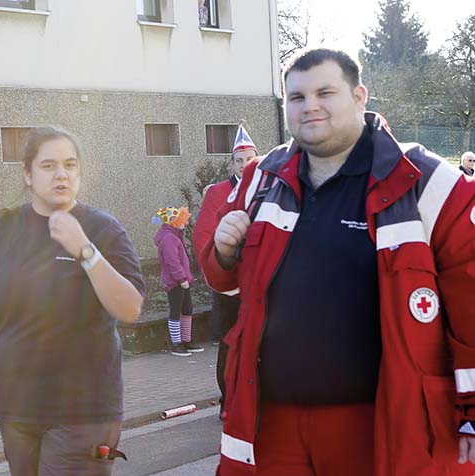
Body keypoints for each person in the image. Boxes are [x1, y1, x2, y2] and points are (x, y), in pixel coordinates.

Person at [199, 48, 475, 475]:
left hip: (379, 424)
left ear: (359, 97)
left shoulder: (427, 180)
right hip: (272, 425)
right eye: (297, 97)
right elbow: (226, 281)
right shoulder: (260, 178)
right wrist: (222, 251)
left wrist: (470, 407)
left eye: (325, 93)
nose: (310, 106)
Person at [0, 126, 146, 476]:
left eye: (70, 165)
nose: (61, 174)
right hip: (17, 409)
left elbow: (130, 309)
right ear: (28, 174)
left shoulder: (103, 230)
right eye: (48, 165)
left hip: (83, 412)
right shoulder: (2, 231)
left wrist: (85, 251)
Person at [193, 124, 258, 416]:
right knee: (230, 343)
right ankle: (228, 401)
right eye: (239, 160)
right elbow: (203, 236)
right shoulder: (218, 192)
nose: (244, 165)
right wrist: (219, 268)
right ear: (232, 164)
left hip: (259, 283)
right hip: (229, 284)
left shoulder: (266, 188)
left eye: (249, 159)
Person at [152, 206, 203, 357]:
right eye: (182, 221)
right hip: (174, 282)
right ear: (173, 222)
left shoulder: (175, 236)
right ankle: (176, 344)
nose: (184, 224)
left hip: (181, 280)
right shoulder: (169, 238)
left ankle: (186, 340)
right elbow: (172, 261)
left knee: (187, 309)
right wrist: (181, 278)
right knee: (176, 310)